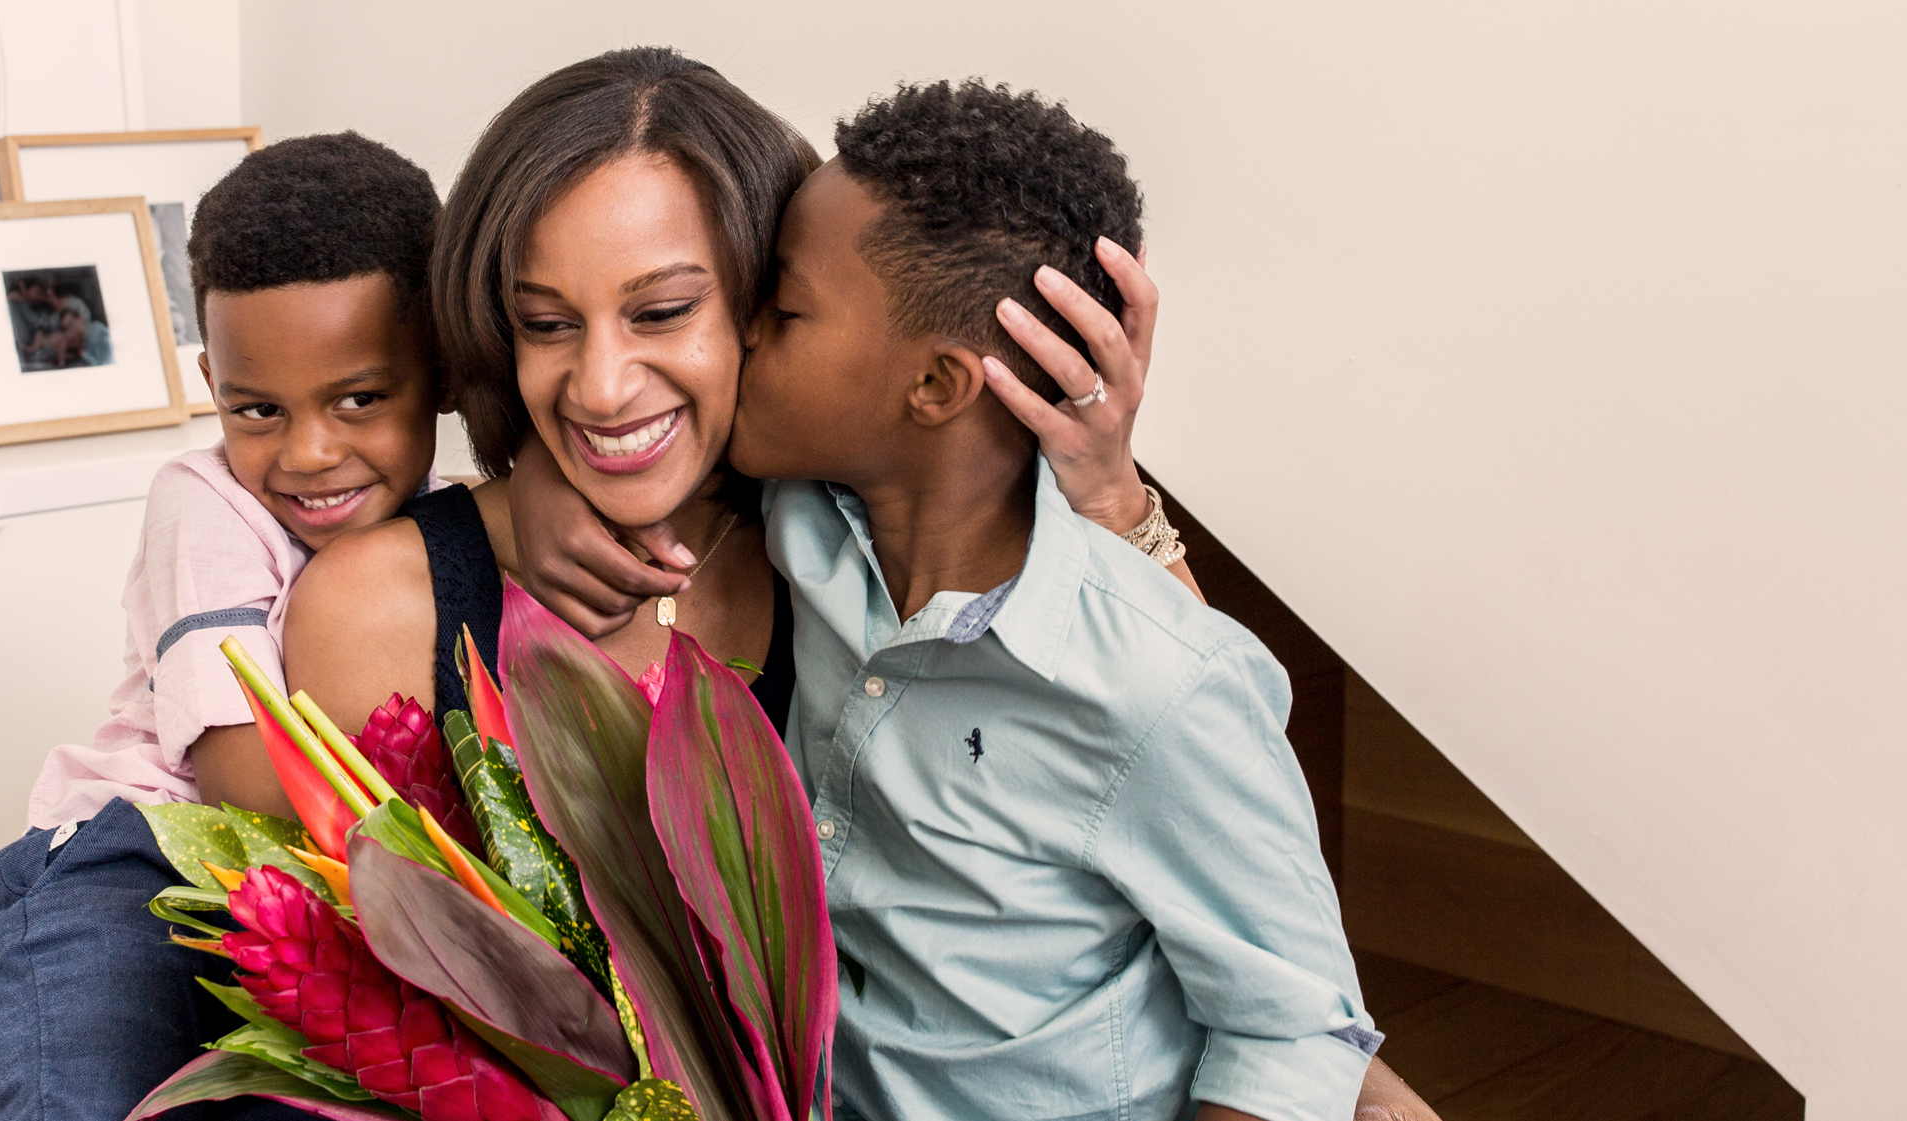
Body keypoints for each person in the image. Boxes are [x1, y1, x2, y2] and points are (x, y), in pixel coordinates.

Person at [499, 78, 1433, 1121]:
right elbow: (616, 419)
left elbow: (1295, 1024)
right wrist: (542, 484)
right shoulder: (804, 512)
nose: (740, 338)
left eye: (782, 311)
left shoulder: (1155, 684)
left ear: (936, 388)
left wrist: (1115, 489)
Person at [0, 131, 447, 1121]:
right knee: (77, 1078)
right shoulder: (203, 502)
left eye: (359, 399)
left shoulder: (445, 516)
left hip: (284, 883)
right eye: (255, 408)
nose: (307, 453)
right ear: (210, 376)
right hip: (125, 859)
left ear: (444, 369)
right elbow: (238, 774)